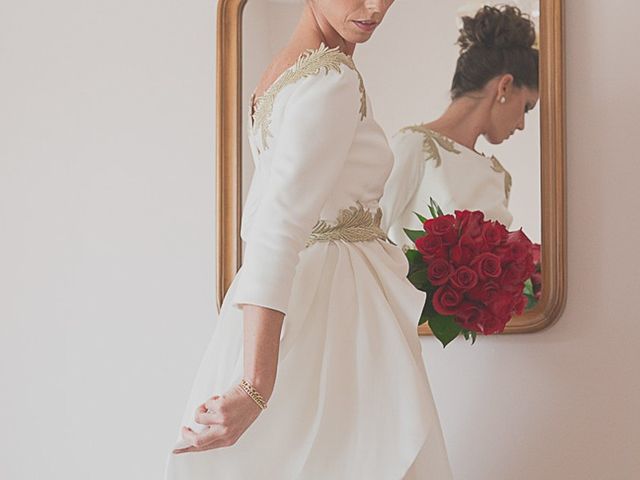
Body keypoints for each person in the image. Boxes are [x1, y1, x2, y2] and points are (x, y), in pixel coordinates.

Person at [164, 1, 453, 478]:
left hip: (316, 300)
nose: (375, 5)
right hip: (337, 315)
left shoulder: (282, 72)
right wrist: (254, 386)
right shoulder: (331, 81)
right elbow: (275, 227)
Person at [380, 5, 539, 250]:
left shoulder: (498, 177)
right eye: (526, 107)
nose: (521, 125)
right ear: (504, 87)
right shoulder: (414, 145)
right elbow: (366, 238)